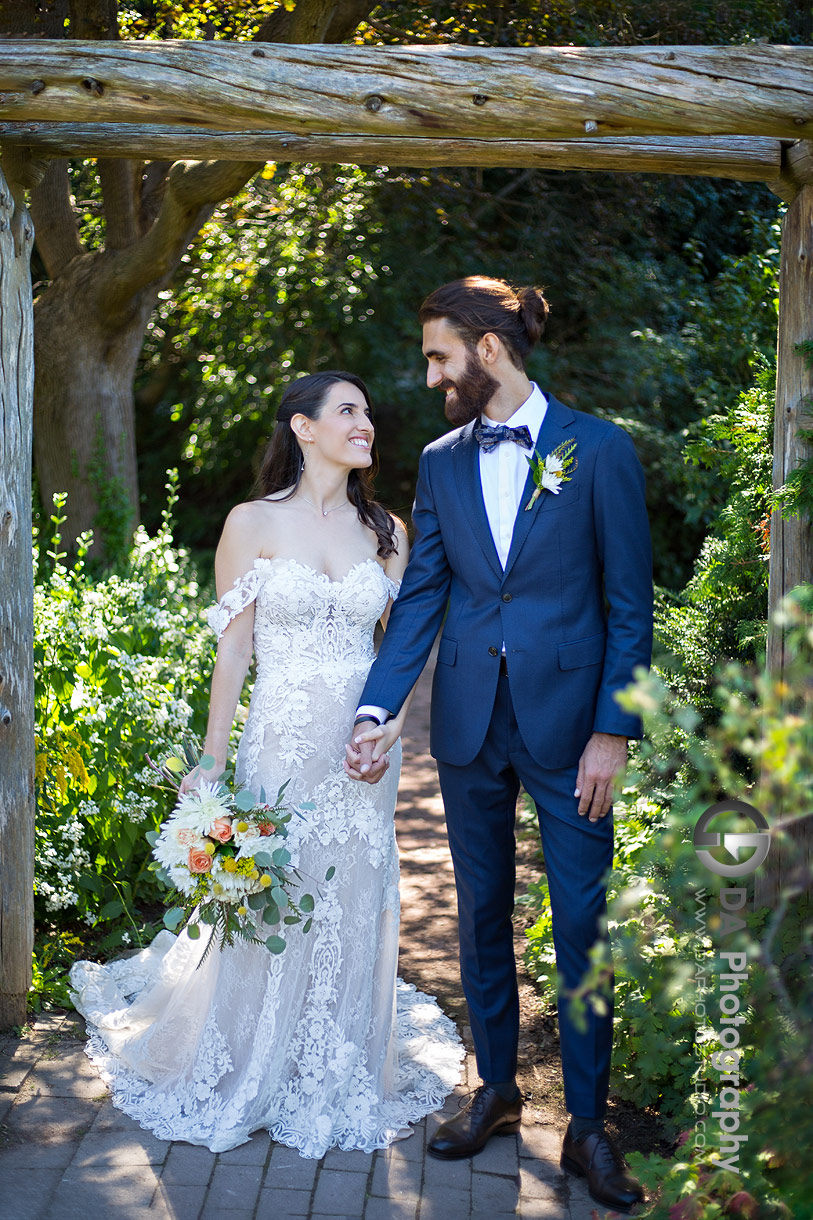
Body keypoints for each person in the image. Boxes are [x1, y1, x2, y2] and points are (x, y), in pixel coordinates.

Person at [70, 371, 463, 1156]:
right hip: (279, 742)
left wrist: (390, 727)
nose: (366, 425)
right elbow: (236, 648)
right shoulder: (250, 522)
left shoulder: (387, 529)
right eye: (347, 411)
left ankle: (334, 1054)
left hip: (360, 749)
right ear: (302, 426)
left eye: (367, 412)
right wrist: (213, 758)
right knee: (271, 890)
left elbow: (406, 646)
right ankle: (245, 1054)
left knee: (351, 887)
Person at [345, 278, 653, 1213]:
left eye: (439, 355)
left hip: (572, 734)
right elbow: (425, 595)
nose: (429, 373)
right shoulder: (439, 463)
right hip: (472, 724)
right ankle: (497, 1090)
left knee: (581, 930)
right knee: (479, 916)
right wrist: (375, 708)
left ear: (486, 348)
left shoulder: (597, 451)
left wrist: (612, 730)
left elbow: (628, 606)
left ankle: (590, 1129)